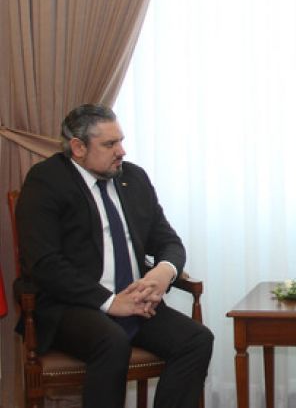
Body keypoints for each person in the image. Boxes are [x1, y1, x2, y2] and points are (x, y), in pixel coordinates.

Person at [15, 104, 213, 408]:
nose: (121, 151)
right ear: (78, 147)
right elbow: (44, 264)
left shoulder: (133, 178)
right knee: (112, 341)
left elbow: (168, 240)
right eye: (109, 144)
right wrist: (109, 302)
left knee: (196, 340)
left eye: (120, 141)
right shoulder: (46, 181)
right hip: (72, 305)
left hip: (134, 301)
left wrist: (164, 271)